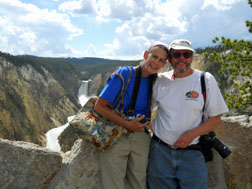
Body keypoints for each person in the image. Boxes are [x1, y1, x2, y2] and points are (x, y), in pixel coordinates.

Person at [147, 39, 229, 189]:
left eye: (187, 54)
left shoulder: (205, 79)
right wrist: (156, 133)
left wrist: (191, 135)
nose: (182, 59)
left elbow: (215, 118)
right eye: (177, 54)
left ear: (192, 57)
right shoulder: (160, 80)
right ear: (170, 58)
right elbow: (146, 111)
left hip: (192, 153)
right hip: (160, 153)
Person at [94, 42, 169, 189]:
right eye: (154, 56)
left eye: (161, 60)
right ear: (145, 55)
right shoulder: (125, 74)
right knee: (113, 183)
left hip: (141, 136)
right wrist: (127, 124)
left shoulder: (156, 81)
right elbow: (99, 106)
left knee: (138, 182)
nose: (156, 62)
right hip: (117, 134)